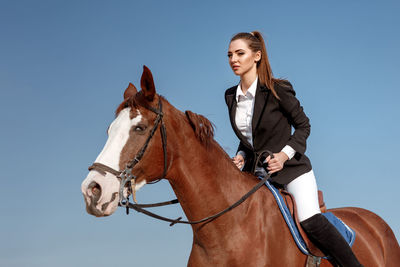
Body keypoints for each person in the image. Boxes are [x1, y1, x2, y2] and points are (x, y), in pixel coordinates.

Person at [224, 31, 363, 267]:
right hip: (255, 174)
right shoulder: (230, 96)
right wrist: (240, 155)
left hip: (292, 170)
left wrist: (284, 155)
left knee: (309, 219)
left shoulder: (278, 89)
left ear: (256, 56)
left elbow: (303, 126)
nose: (233, 59)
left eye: (240, 53)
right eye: (229, 55)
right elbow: (250, 138)